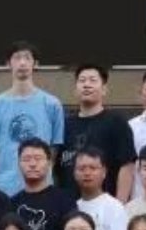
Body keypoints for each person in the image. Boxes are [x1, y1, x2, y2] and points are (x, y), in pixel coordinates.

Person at [0, 41, 66, 193]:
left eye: (27, 58)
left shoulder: (52, 104)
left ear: (36, 64)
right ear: (8, 64)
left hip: (42, 187)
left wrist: (43, 173)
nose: (22, 63)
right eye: (17, 58)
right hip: (5, 187)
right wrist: (2, 176)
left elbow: (54, 147)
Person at [58, 63, 137, 196]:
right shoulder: (65, 124)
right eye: (82, 80)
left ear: (104, 89)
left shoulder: (116, 122)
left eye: (93, 80)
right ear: (75, 89)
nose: (86, 85)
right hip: (69, 203)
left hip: (106, 201)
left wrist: (120, 204)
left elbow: (127, 165)